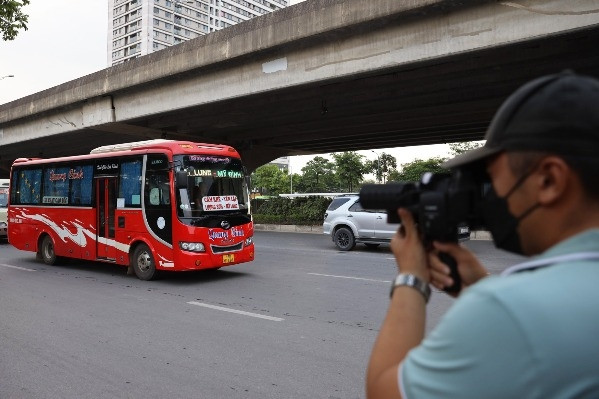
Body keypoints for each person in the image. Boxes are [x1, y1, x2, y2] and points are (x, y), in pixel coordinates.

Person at [366, 70, 599, 398]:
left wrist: (411, 279)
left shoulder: (509, 311)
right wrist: (483, 283)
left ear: (549, 180)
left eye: (491, 180)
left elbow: (382, 392)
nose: (488, 198)